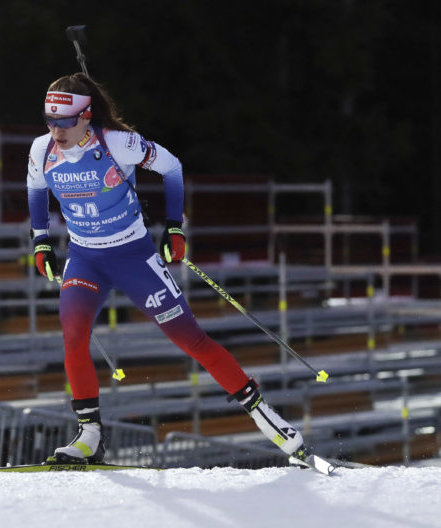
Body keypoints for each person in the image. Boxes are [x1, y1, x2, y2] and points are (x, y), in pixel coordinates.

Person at [27, 72, 306, 464]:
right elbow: (36, 191)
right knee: (73, 335)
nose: (56, 131)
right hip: (86, 258)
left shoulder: (119, 144)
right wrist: (40, 239)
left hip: (132, 256)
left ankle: (266, 416)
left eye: (65, 122)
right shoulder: (42, 150)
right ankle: (89, 434)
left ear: (86, 116)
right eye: (49, 121)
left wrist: (175, 224)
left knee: (190, 339)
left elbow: (172, 167)